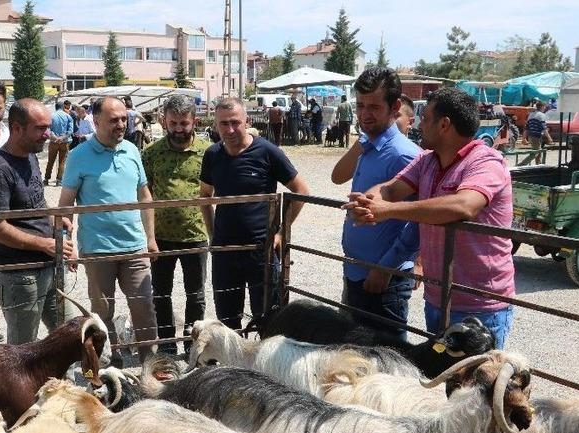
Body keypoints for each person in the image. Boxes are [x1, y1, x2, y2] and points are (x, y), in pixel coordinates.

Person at [343, 87, 515, 348]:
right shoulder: (428, 161)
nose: (419, 125)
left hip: (479, 305)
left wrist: (387, 210)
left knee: (473, 375)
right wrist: (368, 201)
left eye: (425, 119)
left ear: (444, 124)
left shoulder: (486, 162)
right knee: (440, 370)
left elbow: (463, 205)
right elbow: (390, 189)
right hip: (438, 298)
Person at [58, 96, 159, 364]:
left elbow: (144, 196)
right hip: (97, 249)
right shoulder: (78, 156)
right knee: (102, 314)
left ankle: (151, 365)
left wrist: (150, 238)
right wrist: (68, 245)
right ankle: (109, 364)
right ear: (96, 120)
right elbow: (65, 205)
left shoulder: (132, 150)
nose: (121, 124)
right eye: (114, 120)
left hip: (135, 247)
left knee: (144, 309)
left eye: (124, 118)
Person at [200, 97, 311, 331]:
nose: (230, 129)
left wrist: (281, 233)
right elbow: (205, 197)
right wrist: (212, 236)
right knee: (228, 320)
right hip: (225, 251)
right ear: (216, 125)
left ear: (247, 121)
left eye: (235, 122)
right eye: (224, 123)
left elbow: (301, 190)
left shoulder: (267, 151)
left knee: (268, 318)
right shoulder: (212, 155)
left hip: (262, 249)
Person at [330, 67, 421, 338]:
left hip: (383, 281)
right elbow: (337, 176)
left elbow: (419, 220)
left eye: (374, 107)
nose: (364, 114)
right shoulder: (369, 147)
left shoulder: (404, 155)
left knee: (385, 356)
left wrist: (386, 267)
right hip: (357, 272)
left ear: (395, 107)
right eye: (360, 105)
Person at [0, 98, 76, 344]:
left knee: (70, 336)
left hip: (48, 265)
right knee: (23, 348)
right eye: (40, 128)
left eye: (48, 127)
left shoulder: (30, 157)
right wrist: (45, 244)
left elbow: (35, 201)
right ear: (17, 128)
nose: (48, 134)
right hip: (19, 275)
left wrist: (54, 217)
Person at [142, 94, 209, 355]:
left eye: (184, 123)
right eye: (173, 123)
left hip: (196, 235)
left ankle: (194, 343)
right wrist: (149, 236)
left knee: (196, 294)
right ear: (164, 121)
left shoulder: (208, 152)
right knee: (161, 294)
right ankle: (167, 343)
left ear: (194, 121)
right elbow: (144, 193)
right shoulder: (151, 153)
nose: (179, 129)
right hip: (161, 237)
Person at [45, 100, 73, 186]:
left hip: (53, 141)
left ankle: (46, 179)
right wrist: (62, 138)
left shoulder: (51, 116)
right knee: (62, 162)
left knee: (50, 161)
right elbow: (70, 131)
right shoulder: (68, 116)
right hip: (64, 142)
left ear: (55, 107)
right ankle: (59, 180)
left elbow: (48, 129)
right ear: (63, 107)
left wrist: (55, 137)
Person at [522, 100, 552, 165]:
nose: (545, 108)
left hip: (531, 136)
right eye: (544, 107)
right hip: (536, 136)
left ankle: (538, 165)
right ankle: (521, 165)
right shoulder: (542, 115)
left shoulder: (531, 114)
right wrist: (549, 138)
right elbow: (544, 128)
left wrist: (524, 138)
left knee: (538, 152)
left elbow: (527, 128)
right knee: (536, 152)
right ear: (542, 107)